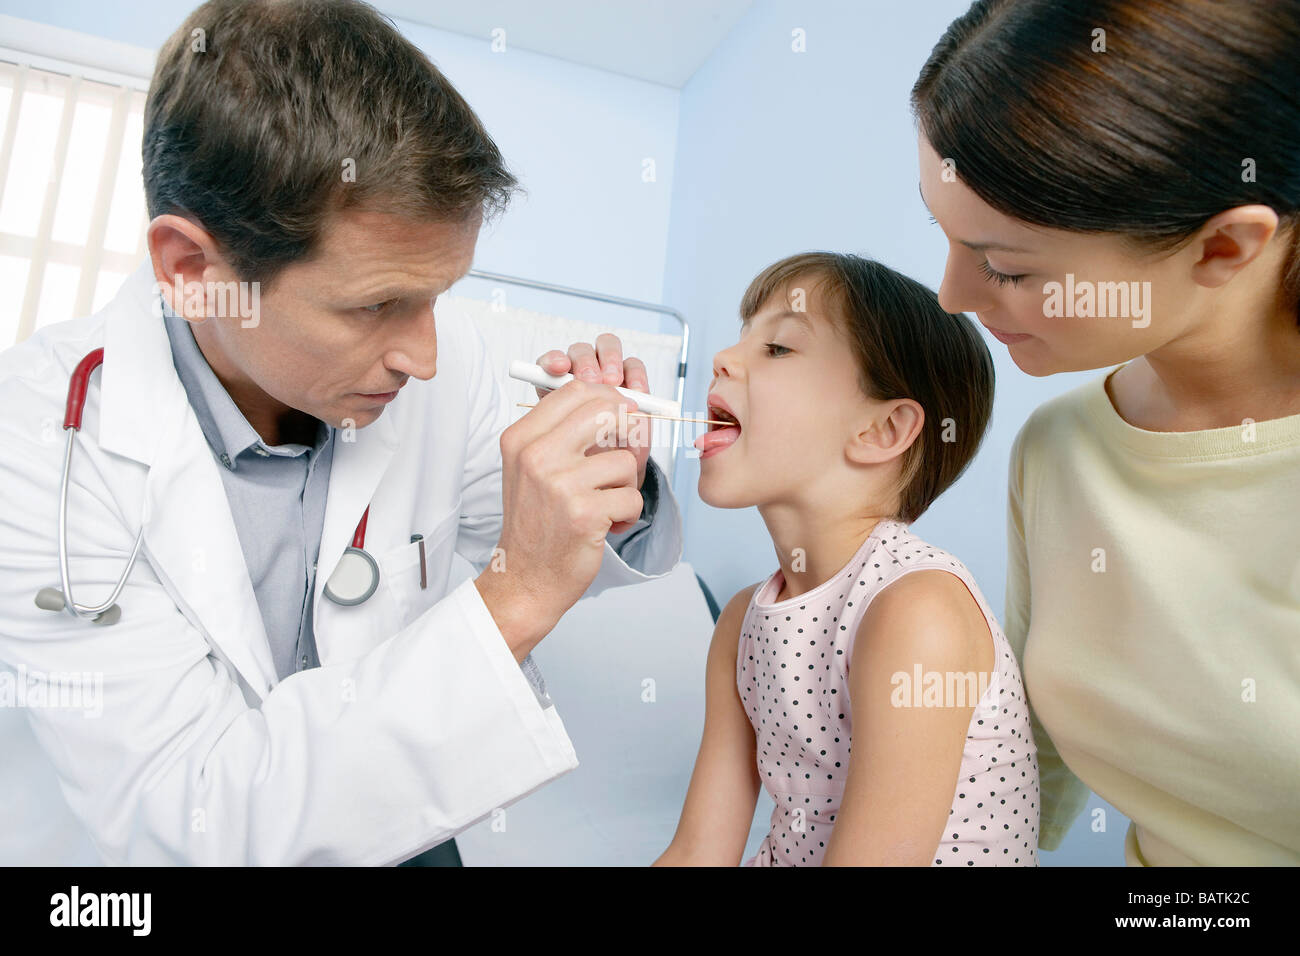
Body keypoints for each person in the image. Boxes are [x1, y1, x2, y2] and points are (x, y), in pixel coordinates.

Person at [0, 0, 682, 865]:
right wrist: (515, 599)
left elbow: (531, 534)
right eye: (376, 305)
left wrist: (604, 483)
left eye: (439, 294)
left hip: (396, 818)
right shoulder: (35, 446)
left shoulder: (447, 364)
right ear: (193, 269)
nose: (426, 356)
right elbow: (191, 815)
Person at [912, 0, 1300, 864]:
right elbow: (1028, 756)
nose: (952, 297)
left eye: (1006, 267)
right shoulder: (1060, 451)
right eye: (944, 237)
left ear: (1225, 248)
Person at [654, 252, 1039, 866]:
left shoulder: (917, 612)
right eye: (741, 335)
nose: (724, 359)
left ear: (881, 430)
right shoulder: (738, 626)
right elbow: (699, 853)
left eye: (777, 348)